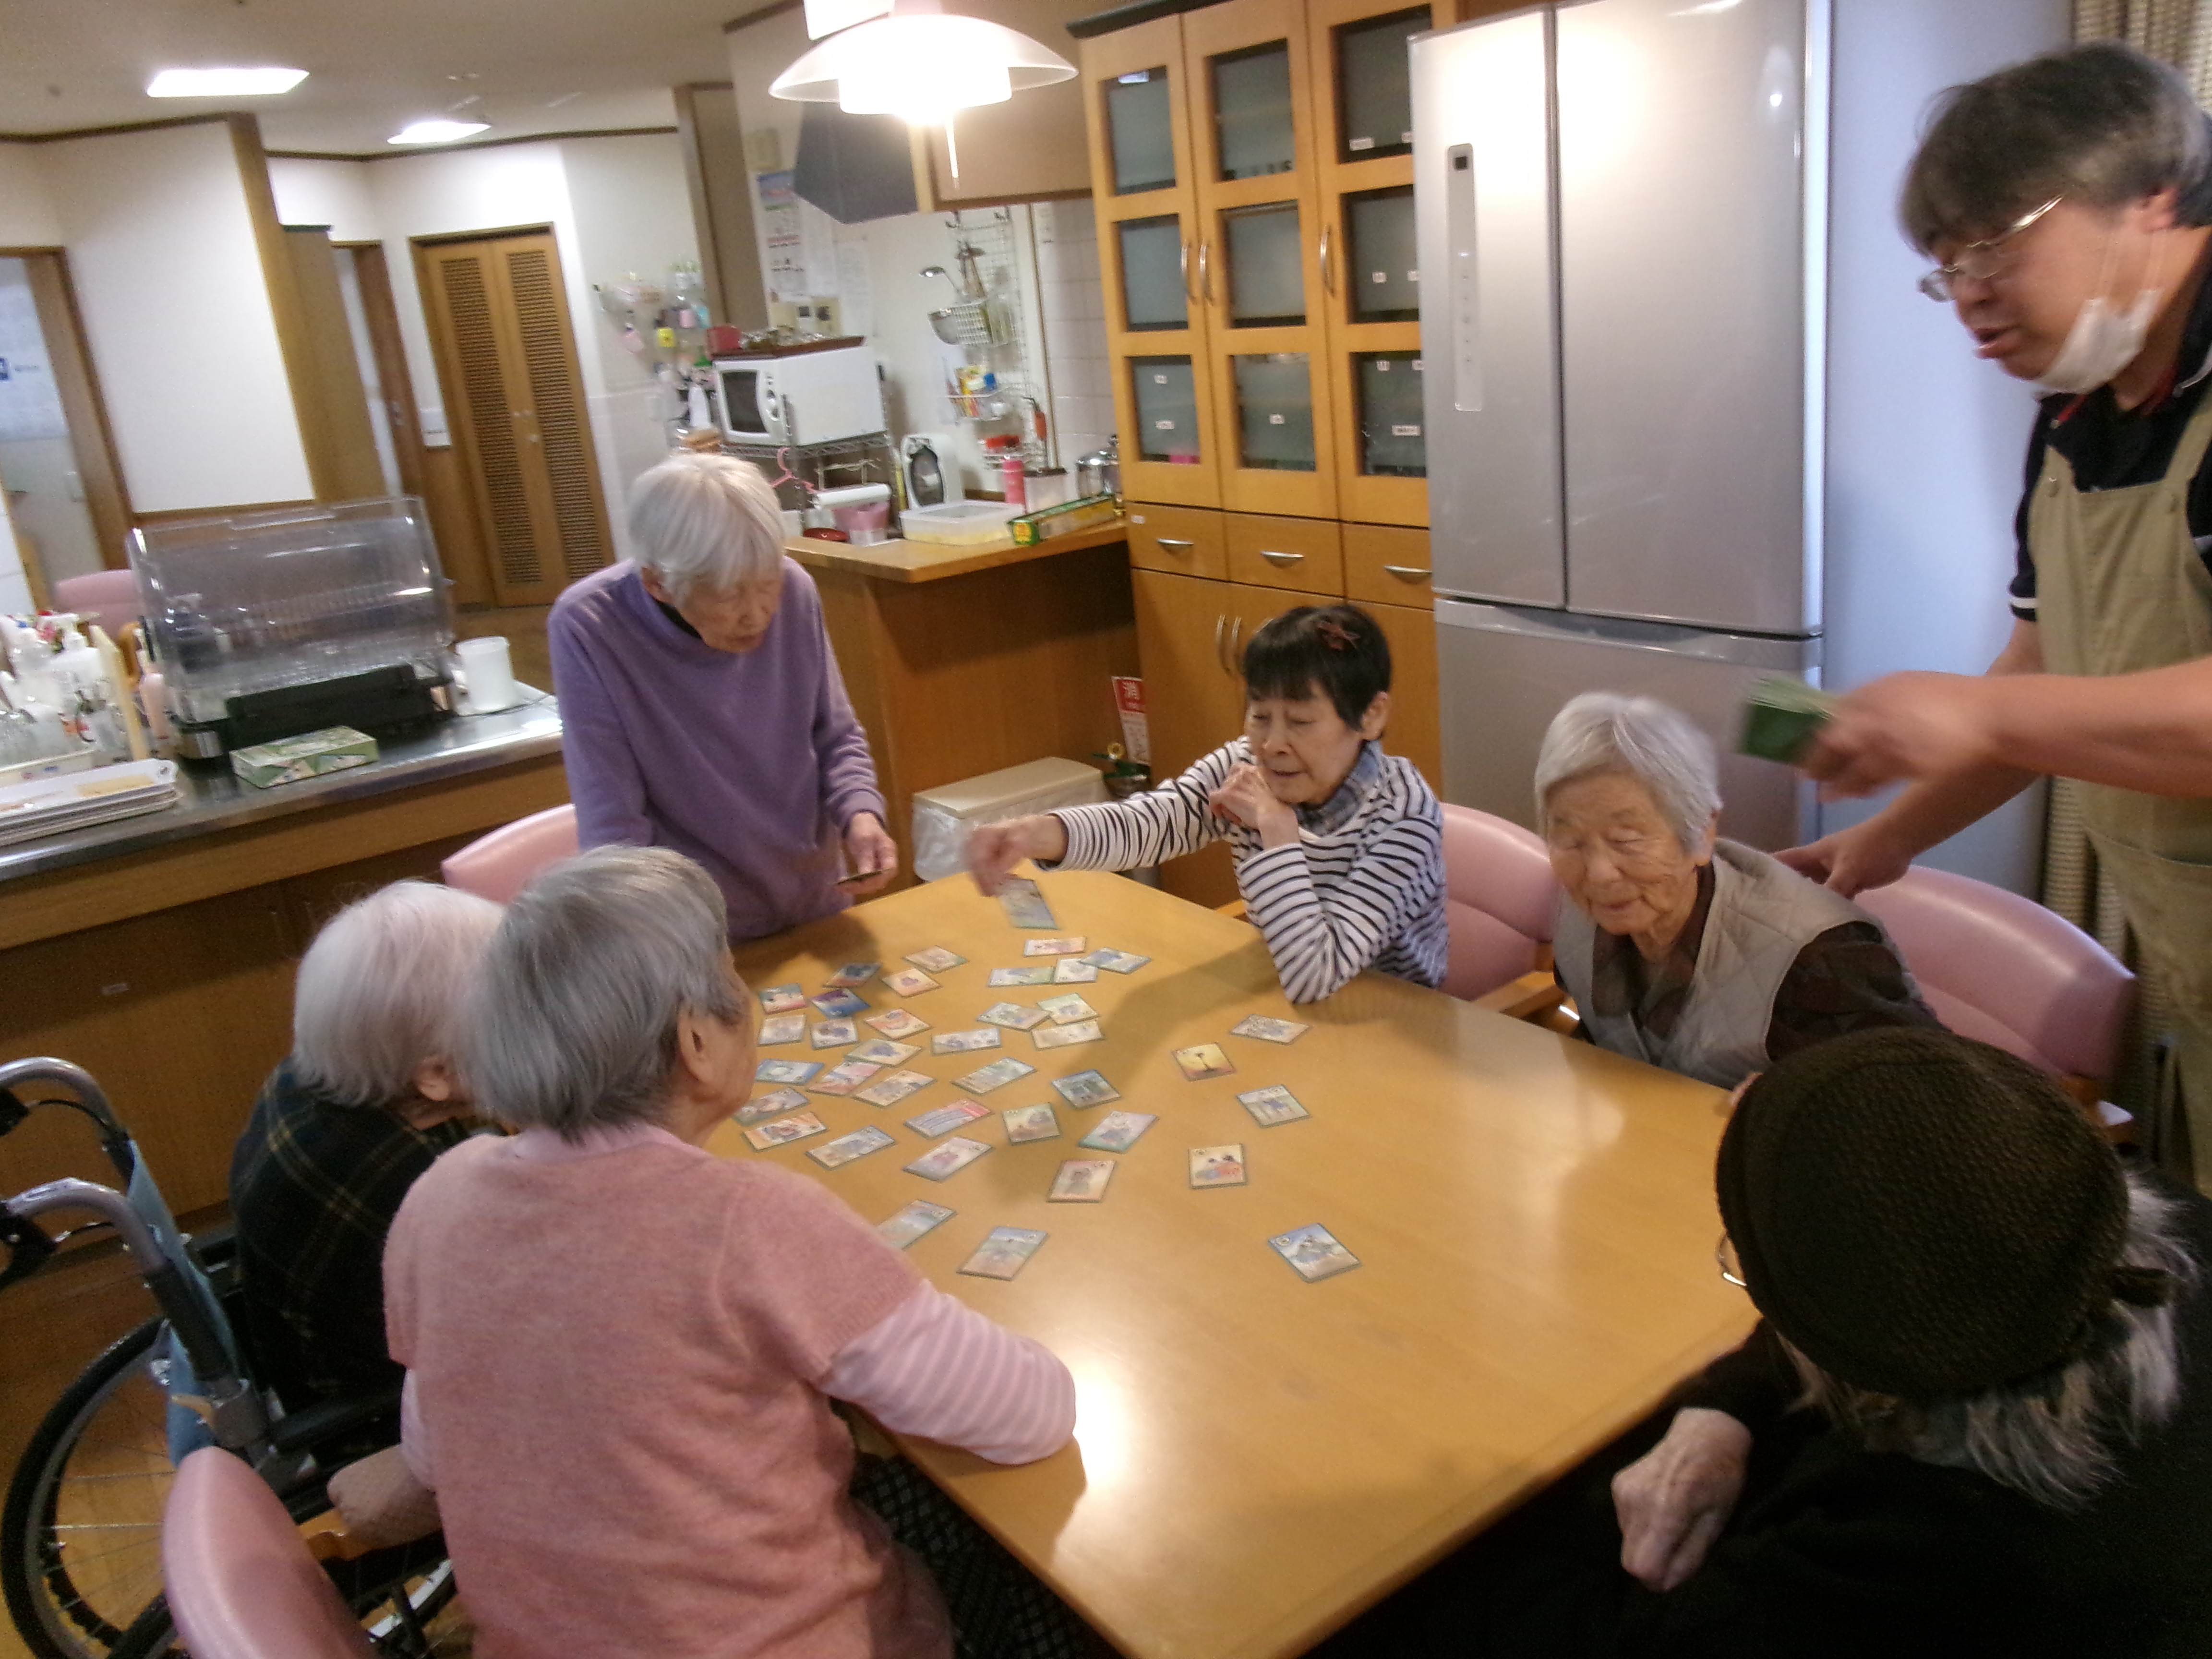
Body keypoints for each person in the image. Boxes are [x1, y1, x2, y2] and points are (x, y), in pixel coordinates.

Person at [384, 845, 1080, 1659]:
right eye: (732, 981)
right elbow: (1028, 1414)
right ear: (695, 1042)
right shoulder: (749, 1221)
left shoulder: (438, 1194)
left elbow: (430, 1452)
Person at [1320, 1027, 2212, 1658]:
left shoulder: (1909, 1564)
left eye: (1750, 1271)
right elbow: (1874, 1284)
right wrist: (1723, 1411)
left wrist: (1401, 1561)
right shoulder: (2117, 1220)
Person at [1778, 43, 2212, 1184]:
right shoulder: (2073, 417)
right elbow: (2038, 677)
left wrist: (1973, 715)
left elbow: (2016, 713)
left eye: (1993, 245)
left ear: (2151, 197)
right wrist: (1882, 842)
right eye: (1944, 265)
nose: (1967, 289)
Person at [965, 604, 1445, 1004]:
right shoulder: (1246, 767)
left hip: (1392, 1017)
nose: (1272, 744)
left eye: (1300, 721)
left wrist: (1278, 834)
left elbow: (1316, 973)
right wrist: (1033, 834)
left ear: (1371, 716)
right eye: (1259, 716)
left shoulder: (1405, 816)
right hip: (1281, 991)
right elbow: (1154, 823)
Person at [549, 449, 897, 941]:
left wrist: (861, 814)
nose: (757, 614)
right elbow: (613, 823)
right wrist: (651, 943)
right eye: (729, 594)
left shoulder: (796, 589)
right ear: (658, 583)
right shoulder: (589, 626)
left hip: (814, 895)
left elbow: (835, 735)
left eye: (767, 584)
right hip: (695, 927)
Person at [1539, 694, 1936, 1089]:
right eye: (1571, 842)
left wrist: (1793, 1103)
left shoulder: (1822, 959)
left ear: (1702, 831)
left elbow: (1930, 1097)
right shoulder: (1581, 915)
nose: (1599, 875)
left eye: (1625, 840)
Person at [228, 880, 501, 1412]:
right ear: (437, 1074)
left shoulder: (305, 1081)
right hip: (379, 1415)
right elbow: (512, 1322)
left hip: (310, 1355)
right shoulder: (414, 1186)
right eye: (515, 1025)